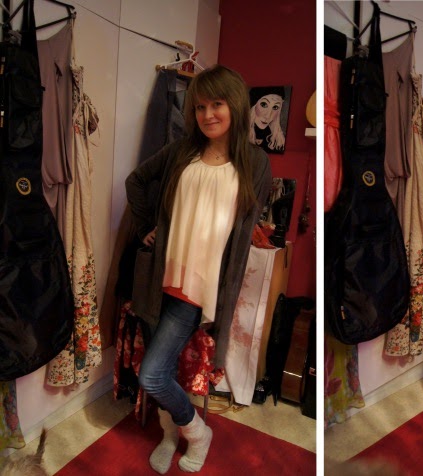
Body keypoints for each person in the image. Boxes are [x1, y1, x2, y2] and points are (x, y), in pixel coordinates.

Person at [125, 65, 272, 473]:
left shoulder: (255, 163)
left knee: (152, 376)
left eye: (217, 104)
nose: (207, 115)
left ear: (235, 106)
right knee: (164, 369)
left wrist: (226, 294)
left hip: (198, 286)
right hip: (160, 277)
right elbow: (136, 181)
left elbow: (242, 235)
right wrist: (147, 226)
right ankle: (169, 435)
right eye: (200, 107)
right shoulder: (182, 150)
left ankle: (197, 433)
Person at [249, 86, 286, 153]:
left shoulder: (277, 142)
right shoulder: (237, 136)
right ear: (253, 105)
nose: (268, 115)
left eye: (275, 107)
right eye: (264, 104)